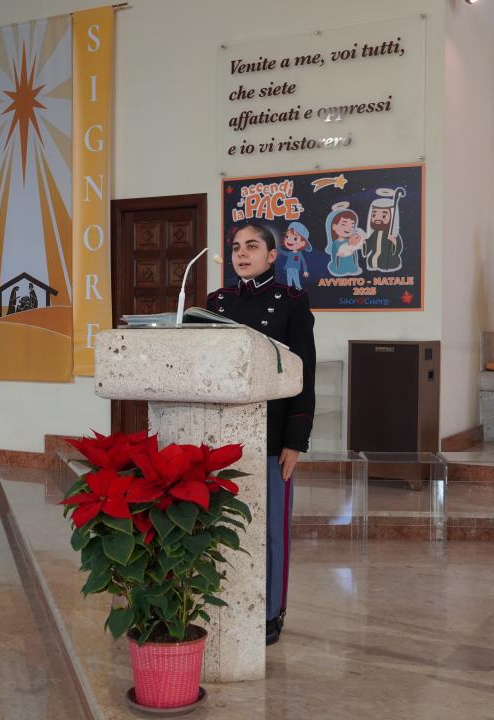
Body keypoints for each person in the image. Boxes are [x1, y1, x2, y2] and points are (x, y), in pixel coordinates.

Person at [208, 223, 316, 646]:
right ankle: (224, 603)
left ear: (272, 255)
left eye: (251, 246)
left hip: (272, 434)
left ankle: (271, 612)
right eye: (236, 247)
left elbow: (303, 374)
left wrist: (296, 440)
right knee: (223, 524)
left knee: (271, 529)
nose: (241, 254)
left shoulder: (291, 302)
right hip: (220, 435)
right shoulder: (216, 303)